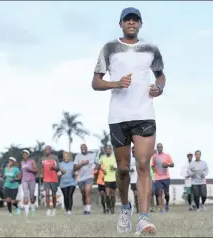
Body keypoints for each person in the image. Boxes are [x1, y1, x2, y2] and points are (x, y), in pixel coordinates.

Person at [92, 6, 166, 235]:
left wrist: (159, 88)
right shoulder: (109, 48)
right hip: (119, 116)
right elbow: (96, 82)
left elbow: (160, 75)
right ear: (121, 24)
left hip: (144, 114)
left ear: (141, 24)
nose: (131, 23)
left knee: (143, 164)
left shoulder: (151, 49)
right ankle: (125, 208)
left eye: (135, 20)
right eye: (127, 20)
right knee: (123, 169)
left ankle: (143, 219)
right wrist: (116, 84)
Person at [74, 144, 96, 215]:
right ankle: (85, 208)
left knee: (87, 192)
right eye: (81, 148)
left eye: (84, 147)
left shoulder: (91, 156)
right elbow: (75, 167)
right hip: (80, 178)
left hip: (89, 176)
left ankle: (88, 211)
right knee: (83, 194)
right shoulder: (78, 156)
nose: (83, 149)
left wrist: (96, 169)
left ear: (87, 148)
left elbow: (95, 163)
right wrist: (82, 163)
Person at [152, 143, 174, 212]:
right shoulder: (154, 157)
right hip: (158, 178)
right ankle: (161, 208)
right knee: (159, 192)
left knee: (166, 193)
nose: (159, 148)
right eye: (158, 147)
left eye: (160, 147)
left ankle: (167, 203)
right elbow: (152, 165)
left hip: (166, 177)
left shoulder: (167, 156)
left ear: (162, 148)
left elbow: (172, 164)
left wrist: (167, 165)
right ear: (157, 148)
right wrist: (154, 171)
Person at [42, 145, 59, 216]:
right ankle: (48, 210)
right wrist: (42, 175)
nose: (47, 151)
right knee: (47, 194)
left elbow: (58, 168)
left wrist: (54, 167)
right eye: (46, 150)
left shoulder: (55, 158)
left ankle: (54, 209)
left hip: (54, 178)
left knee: (54, 195)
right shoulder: (42, 159)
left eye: (48, 149)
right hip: (46, 179)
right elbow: (42, 168)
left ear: (50, 150)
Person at [100, 145, 117, 214]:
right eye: (106, 149)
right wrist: (102, 170)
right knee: (107, 194)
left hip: (114, 178)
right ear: (104, 150)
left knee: (112, 194)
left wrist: (114, 168)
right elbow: (100, 166)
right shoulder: (102, 158)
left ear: (111, 150)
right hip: (106, 178)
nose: (107, 150)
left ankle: (112, 207)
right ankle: (108, 207)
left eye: (109, 149)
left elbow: (117, 167)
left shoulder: (114, 157)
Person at [20, 149, 37, 216]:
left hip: (32, 180)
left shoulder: (32, 161)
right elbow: (21, 172)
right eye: (23, 154)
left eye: (26, 154)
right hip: (24, 180)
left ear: (28, 154)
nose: (24, 155)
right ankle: (26, 212)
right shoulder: (21, 162)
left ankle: (32, 208)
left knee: (32, 196)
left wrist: (29, 169)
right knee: (25, 195)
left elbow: (36, 170)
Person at [129, 146, 139, 213]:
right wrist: (129, 170)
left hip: (140, 179)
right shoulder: (130, 159)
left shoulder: (140, 158)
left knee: (140, 195)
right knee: (136, 195)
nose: (133, 151)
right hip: (133, 180)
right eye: (132, 150)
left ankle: (141, 208)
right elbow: (126, 168)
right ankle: (137, 209)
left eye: (135, 150)